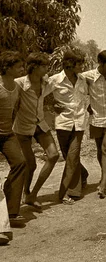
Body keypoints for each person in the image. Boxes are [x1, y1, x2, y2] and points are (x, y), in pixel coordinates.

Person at [14, 52, 60, 209]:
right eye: (44, 66)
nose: (47, 68)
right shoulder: (19, 83)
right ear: (34, 67)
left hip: (40, 125)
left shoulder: (46, 84)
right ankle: (24, 193)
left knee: (54, 155)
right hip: (22, 128)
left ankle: (33, 194)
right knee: (30, 164)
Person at [47, 49, 90, 205]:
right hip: (63, 123)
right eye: (79, 64)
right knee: (68, 156)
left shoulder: (83, 80)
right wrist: (52, 105)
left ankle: (68, 191)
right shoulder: (55, 80)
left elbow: (92, 94)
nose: (82, 67)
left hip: (79, 123)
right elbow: (40, 96)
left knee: (72, 156)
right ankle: (83, 174)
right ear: (70, 64)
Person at [81, 50, 106, 199]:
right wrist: (87, 106)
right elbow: (81, 92)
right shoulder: (87, 76)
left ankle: (103, 183)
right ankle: (105, 175)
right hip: (97, 118)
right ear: (100, 63)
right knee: (99, 149)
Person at [0, 51, 27, 243]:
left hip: (7, 134)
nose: (22, 69)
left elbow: (15, 109)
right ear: (8, 68)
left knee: (20, 163)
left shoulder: (16, 87)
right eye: (18, 67)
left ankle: (11, 211)